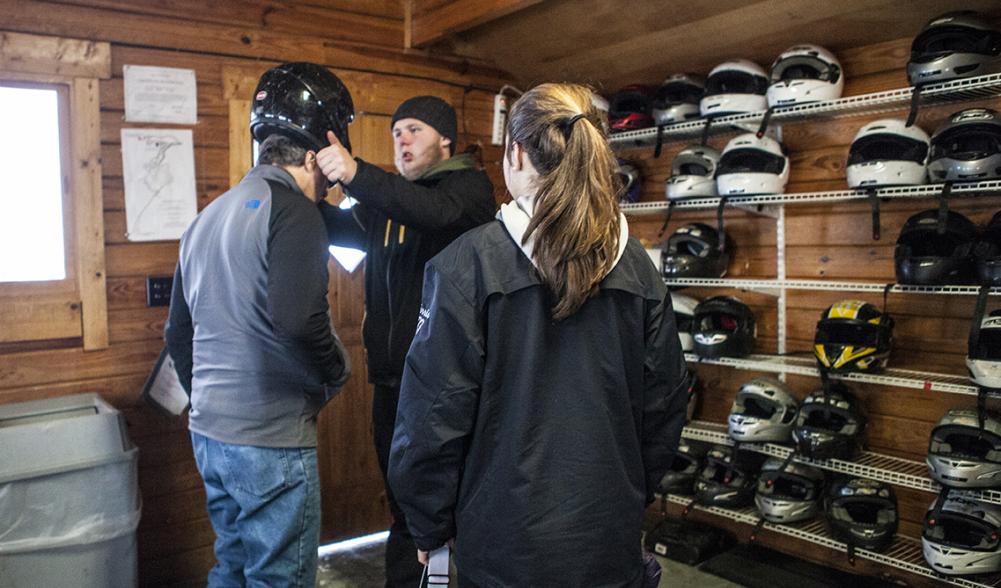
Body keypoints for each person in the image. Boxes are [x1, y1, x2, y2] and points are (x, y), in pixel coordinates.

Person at [386, 83, 689, 587]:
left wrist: (429, 524)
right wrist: (633, 492)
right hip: (607, 538)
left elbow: (431, 418)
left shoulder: (468, 263)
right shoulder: (635, 262)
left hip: (503, 548)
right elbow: (666, 402)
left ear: (517, 152)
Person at [165, 62, 353, 588]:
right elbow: (297, 319)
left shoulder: (206, 217)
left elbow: (177, 335)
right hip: (270, 439)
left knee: (232, 566)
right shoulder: (294, 211)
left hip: (209, 432)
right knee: (280, 580)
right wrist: (337, 372)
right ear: (318, 154)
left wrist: (207, 398)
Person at [315, 95, 496, 586]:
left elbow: (432, 212)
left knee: (457, 512)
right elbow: (342, 227)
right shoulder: (389, 204)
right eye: (396, 133)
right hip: (393, 382)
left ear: (445, 139)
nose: (403, 140)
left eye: (414, 129)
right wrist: (304, 191)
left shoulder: (468, 190)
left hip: (449, 387)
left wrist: (357, 174)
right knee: (405, 508)